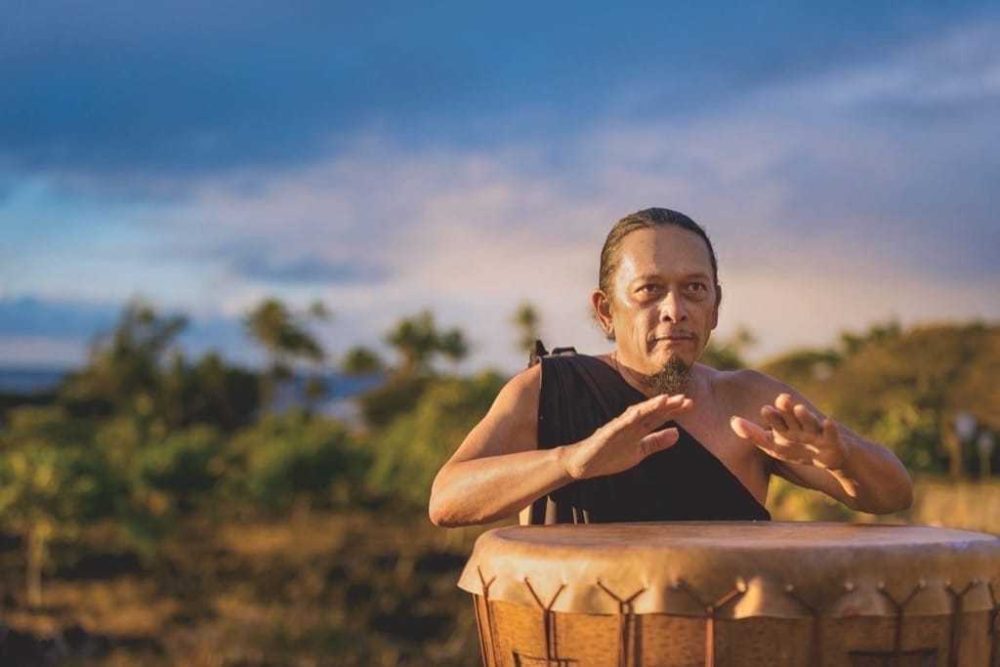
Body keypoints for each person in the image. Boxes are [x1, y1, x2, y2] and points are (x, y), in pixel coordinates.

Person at [428, 208, 913, 527]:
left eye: (695, 289)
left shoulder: (749, 402)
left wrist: (841, 455)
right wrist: (572, 461)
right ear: (604, 311)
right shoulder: (547, 391)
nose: (675, 309)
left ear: (716, 308)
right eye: (650, 290)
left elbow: (893, 495)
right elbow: (446, 500)